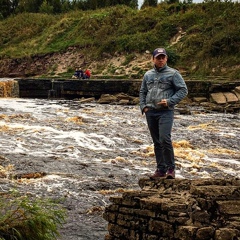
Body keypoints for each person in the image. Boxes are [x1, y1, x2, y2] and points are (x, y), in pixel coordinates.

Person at [139, 48, 188, 179]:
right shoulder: (148, 75)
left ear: (166, 58)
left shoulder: (173, 74)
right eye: (158, 57)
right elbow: (143, 91)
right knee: (156, 142)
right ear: (153, 59)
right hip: (151, 112)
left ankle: (171, 169)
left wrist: (170, 101)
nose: (161, 60)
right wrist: (143, 107)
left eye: (163, 57)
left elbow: (183, 90)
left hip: (166, 112)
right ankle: (160, 170)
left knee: (164, 139)